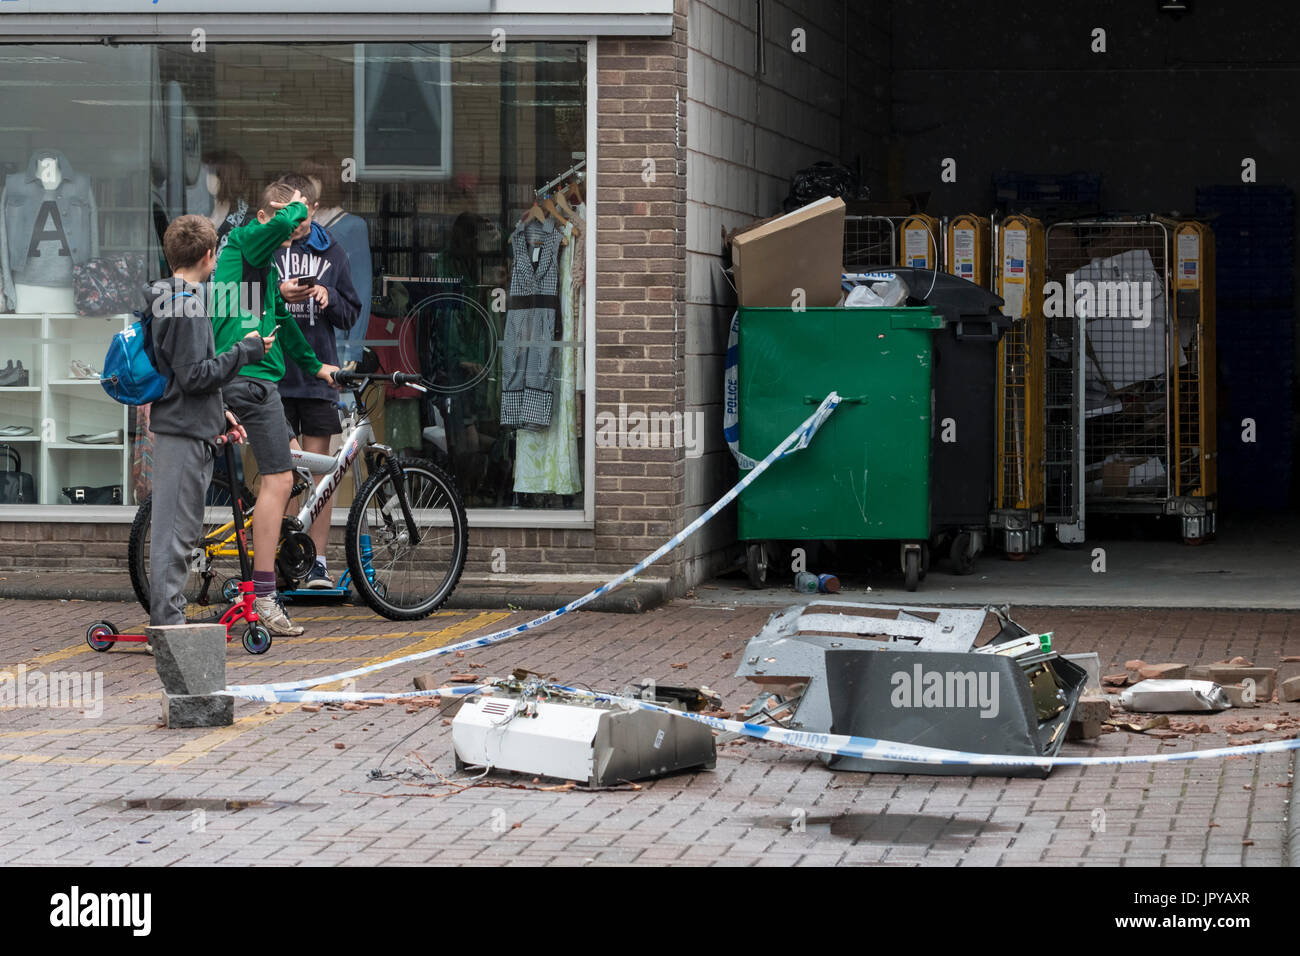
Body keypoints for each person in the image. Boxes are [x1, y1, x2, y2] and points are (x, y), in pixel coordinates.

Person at [210, 181, 339, 636]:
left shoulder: (259, 265)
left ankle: (265, 550)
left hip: (248, 379)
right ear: (264, 217)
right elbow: (285, 218)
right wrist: (297, 206)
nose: (297, 227)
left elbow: (281, 323)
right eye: (289, 219)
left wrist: (316, 366)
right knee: (279, 478)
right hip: (250, 380)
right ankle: (263, 596)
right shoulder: (247, 241)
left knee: (287, 472)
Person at [147, 214, 271, 639]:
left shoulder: (170, 295)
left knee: (177, 532)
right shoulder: (186, 302)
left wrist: (221, 414)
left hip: (187, 424)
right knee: (176, 536)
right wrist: (246, 351)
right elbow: (193, 375)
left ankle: (168, 619)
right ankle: (168, 626)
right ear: (208, 255)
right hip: (182, 431)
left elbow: (190, 376)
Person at [273, 173, 361, 589]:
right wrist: (279, 291)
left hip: (317, 376)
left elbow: (350, 313)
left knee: (323, 476)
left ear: (311, 207)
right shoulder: (267, 247)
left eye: (299, 212)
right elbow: (243, 299)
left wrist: (328, 296)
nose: (294, 222)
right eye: (286, 214)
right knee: (287, 474)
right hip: (275, 373)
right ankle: (286, 560)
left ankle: (319, 562)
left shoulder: (334, 250)